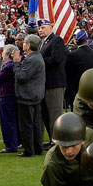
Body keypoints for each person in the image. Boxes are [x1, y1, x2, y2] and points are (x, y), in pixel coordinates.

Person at [13, 34, 45, 157]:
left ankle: (29, 150)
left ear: (29, 45)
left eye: (25, 42)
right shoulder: (37, 57)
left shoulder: (31, 59)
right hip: (36, 95)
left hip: (27, 96)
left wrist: (16, 63)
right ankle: (37, 148)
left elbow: (21, 77)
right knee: (36, 123)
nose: (23, 45)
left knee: (26, 124)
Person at [38, 19, 66, 149]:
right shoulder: (42, 43)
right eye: (39, 28)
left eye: (43, 27)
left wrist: (39, 62)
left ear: (50, 28)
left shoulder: (57, 40)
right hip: (45, 83)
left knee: (55, 113)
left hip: (54, 82)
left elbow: (56, 58)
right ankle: (51, 139)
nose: (40, 30)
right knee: (46, 113)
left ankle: (57, 141)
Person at [64, 29, 93, 108]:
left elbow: (67, 73)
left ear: (76, 41)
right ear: (86, 40)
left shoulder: (71, 55)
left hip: (76, 90)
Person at [0, 44, 19, 154]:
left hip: (7, 95)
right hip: (12, 95)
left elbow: (0, 77)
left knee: (7, 122)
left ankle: (10, 145)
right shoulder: (12, 65)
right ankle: (15, 142)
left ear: (7, 55)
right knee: (13, 121)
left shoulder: (8, 66)